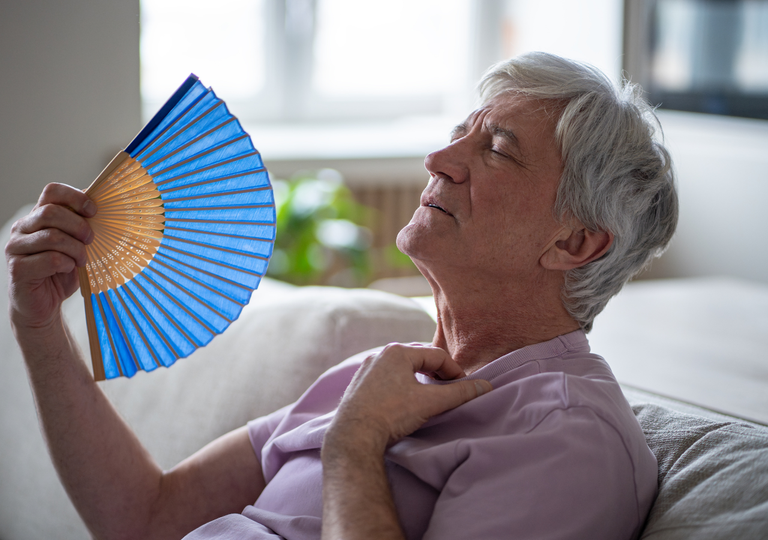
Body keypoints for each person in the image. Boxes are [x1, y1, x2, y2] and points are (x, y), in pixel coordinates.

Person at [5, 52, 677, 540]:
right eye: (458, 136)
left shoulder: (566, 438)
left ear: (576, 243)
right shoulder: (379, 374)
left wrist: (354, 446)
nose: (439, 161)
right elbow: (144, 518)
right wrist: (39, 327)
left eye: (497, 150)